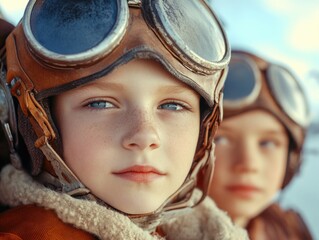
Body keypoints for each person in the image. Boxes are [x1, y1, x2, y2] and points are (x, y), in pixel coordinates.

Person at [0, 1, 248, 239]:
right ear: (31, 122)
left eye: (172, 105)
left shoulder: (206, 230)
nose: (144, 136)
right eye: (100, 103)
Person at [208, 50, 313, 239]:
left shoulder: (291, 230)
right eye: (220, 139)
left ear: (292, 161)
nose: (249, 164)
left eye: (268, 143)